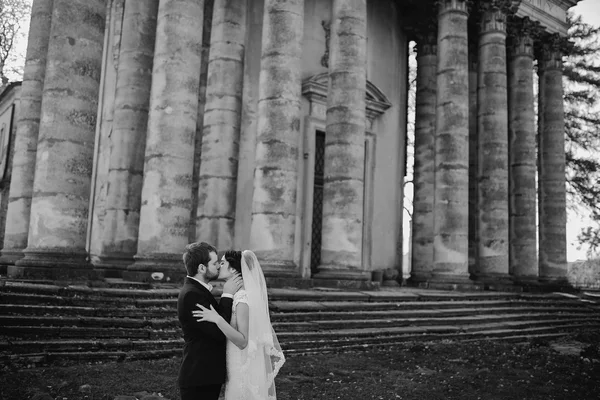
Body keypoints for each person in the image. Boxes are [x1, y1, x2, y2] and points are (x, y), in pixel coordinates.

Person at [193, 250, 285, 400]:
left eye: (222, 263)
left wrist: (217, 319)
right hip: (235, 361)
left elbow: (242, 341)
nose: (219, 266)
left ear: (233, 270)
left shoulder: (242, 298)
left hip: (241, 363)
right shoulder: (239, 295)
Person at [177, 242, 243, 400]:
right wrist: (227, 295)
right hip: (199, 377)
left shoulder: (197, 290)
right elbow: (218, 333)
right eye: (214, 263)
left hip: (205, 376)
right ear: (201, 268)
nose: (219, 266)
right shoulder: (192, 295)